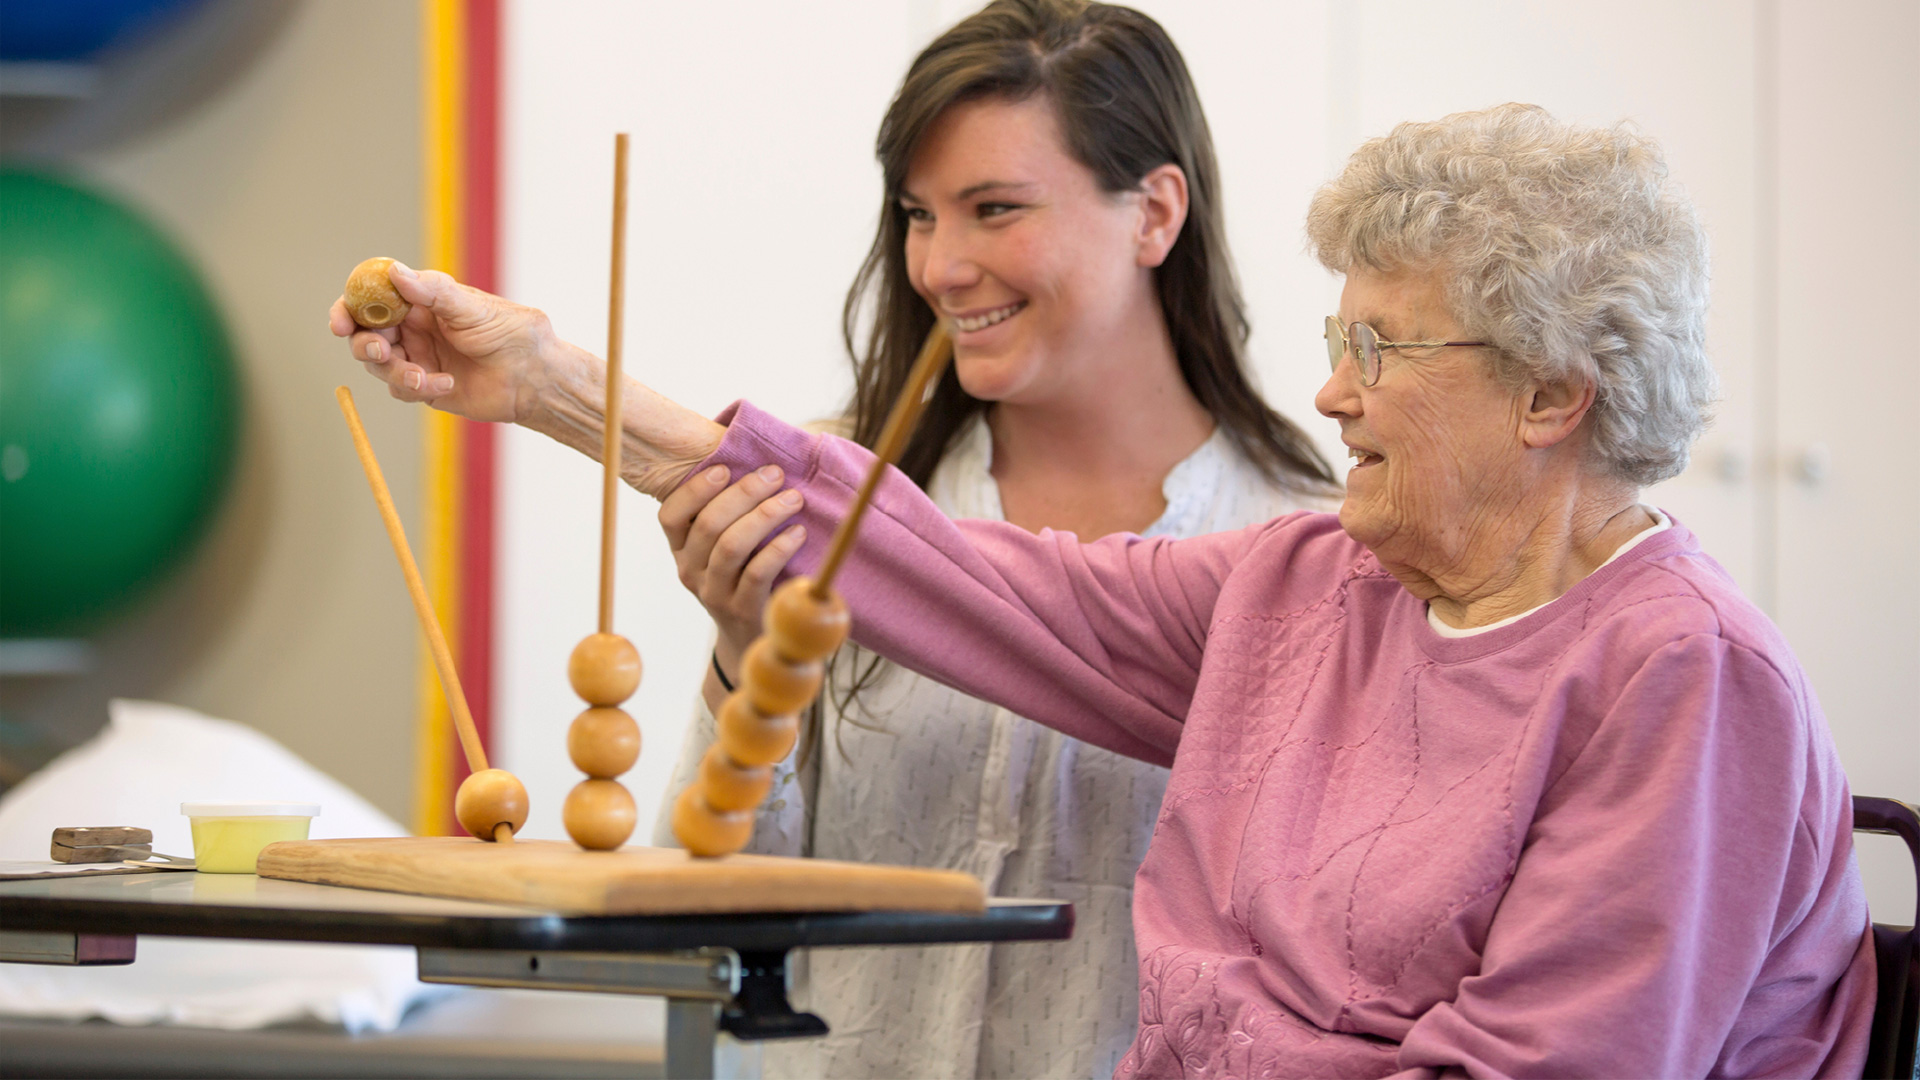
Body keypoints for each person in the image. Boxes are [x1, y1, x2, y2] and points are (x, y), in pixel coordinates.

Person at [333, 103, 1877, 1076]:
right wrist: (546, 384)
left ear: (1553, 395)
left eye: (1382, 352)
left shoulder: (1684, 677)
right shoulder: (1311, 588)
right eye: (1338, 342)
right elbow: (973, 582)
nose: (1333, 396)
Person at [653, 3, 1334, 1076]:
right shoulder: (850, 507)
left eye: (994, 208)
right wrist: (745, 656)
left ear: (1155, 213)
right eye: (919, 215)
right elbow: (711, 920)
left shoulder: (1307, 554)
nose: (940, 267)